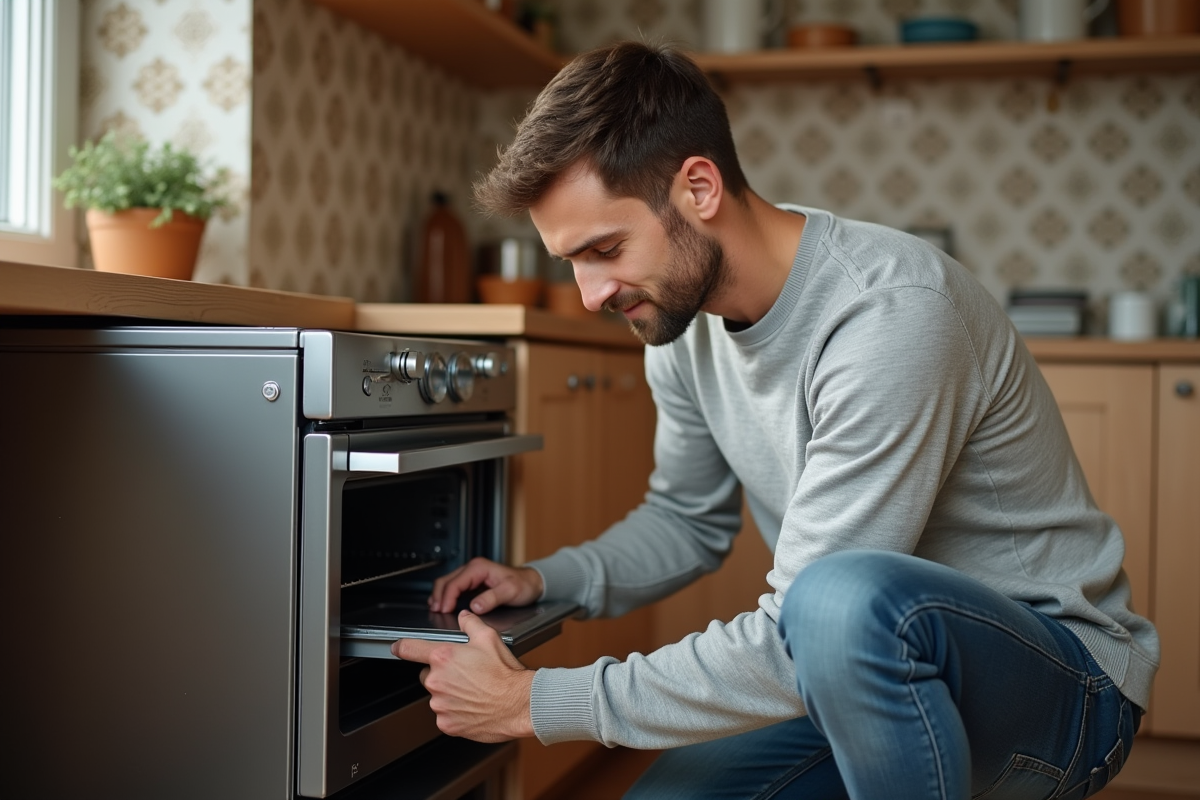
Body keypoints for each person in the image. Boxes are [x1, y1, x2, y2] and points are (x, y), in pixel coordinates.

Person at [393, 41, 1158, 799]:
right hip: (861, 672)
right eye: (572, 263)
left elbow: (808, 629)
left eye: (606, 249)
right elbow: (685, 522)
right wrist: (543, 578)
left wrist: (535, 702)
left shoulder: (887, 316)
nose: (591, 294)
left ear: (698, 187)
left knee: (835, 599)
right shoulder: (678, 327)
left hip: (1065, 686)